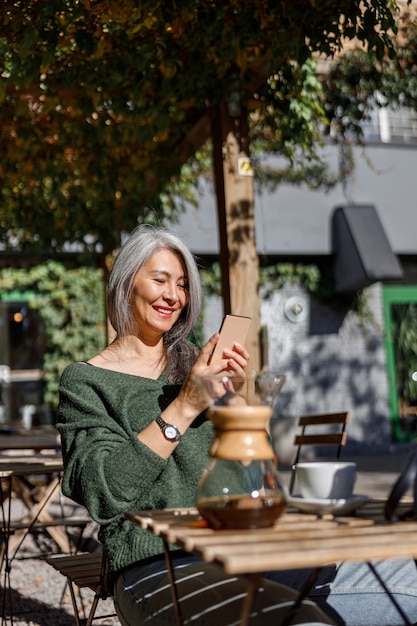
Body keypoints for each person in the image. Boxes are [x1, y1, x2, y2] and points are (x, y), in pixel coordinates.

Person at [56, 224, 336, 626]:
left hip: (248, 547)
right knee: (301, 620)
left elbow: (255, 472)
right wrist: (185, 406)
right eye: (160, 279)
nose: (174, 295)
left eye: (183, 285)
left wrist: (233, 404)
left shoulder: (195, 364)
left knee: (405, 584)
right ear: (125, 283)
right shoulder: (86, 381)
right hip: (157, 562)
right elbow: (103, 492)